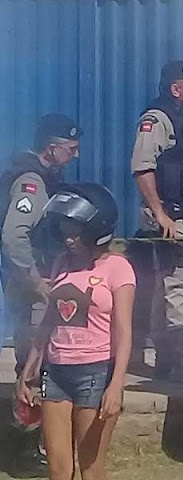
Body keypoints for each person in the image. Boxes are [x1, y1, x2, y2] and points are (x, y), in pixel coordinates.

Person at [16, 183, 135, 480]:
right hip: (56, 373)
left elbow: (124, 331)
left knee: (90, 469)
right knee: (58, 470)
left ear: (97, 229)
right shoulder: (62, 263)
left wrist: (116, 384)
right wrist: (29, 372)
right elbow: (49, 322)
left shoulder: (118, 268)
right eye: (65, 231)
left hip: (95, 374)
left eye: (76, 232)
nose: (68, 239)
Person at [0, 113, 81, 477]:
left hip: (35, 287)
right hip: (30, 291)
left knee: (40, 365)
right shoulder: (31, 182)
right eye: (71, 149)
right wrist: (36, 281)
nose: (76, 155)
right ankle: (22, 453)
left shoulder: (46, 177)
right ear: (52, 148)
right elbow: (14, 236)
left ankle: (38, 446)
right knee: (33, 369)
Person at [131, 60, 183, 383]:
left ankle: (167, 361)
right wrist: (160, 213)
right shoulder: (156, 120)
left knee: (168, 286)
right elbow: (142, 167)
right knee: (182, 286)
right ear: (175, 89)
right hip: (173, 218)